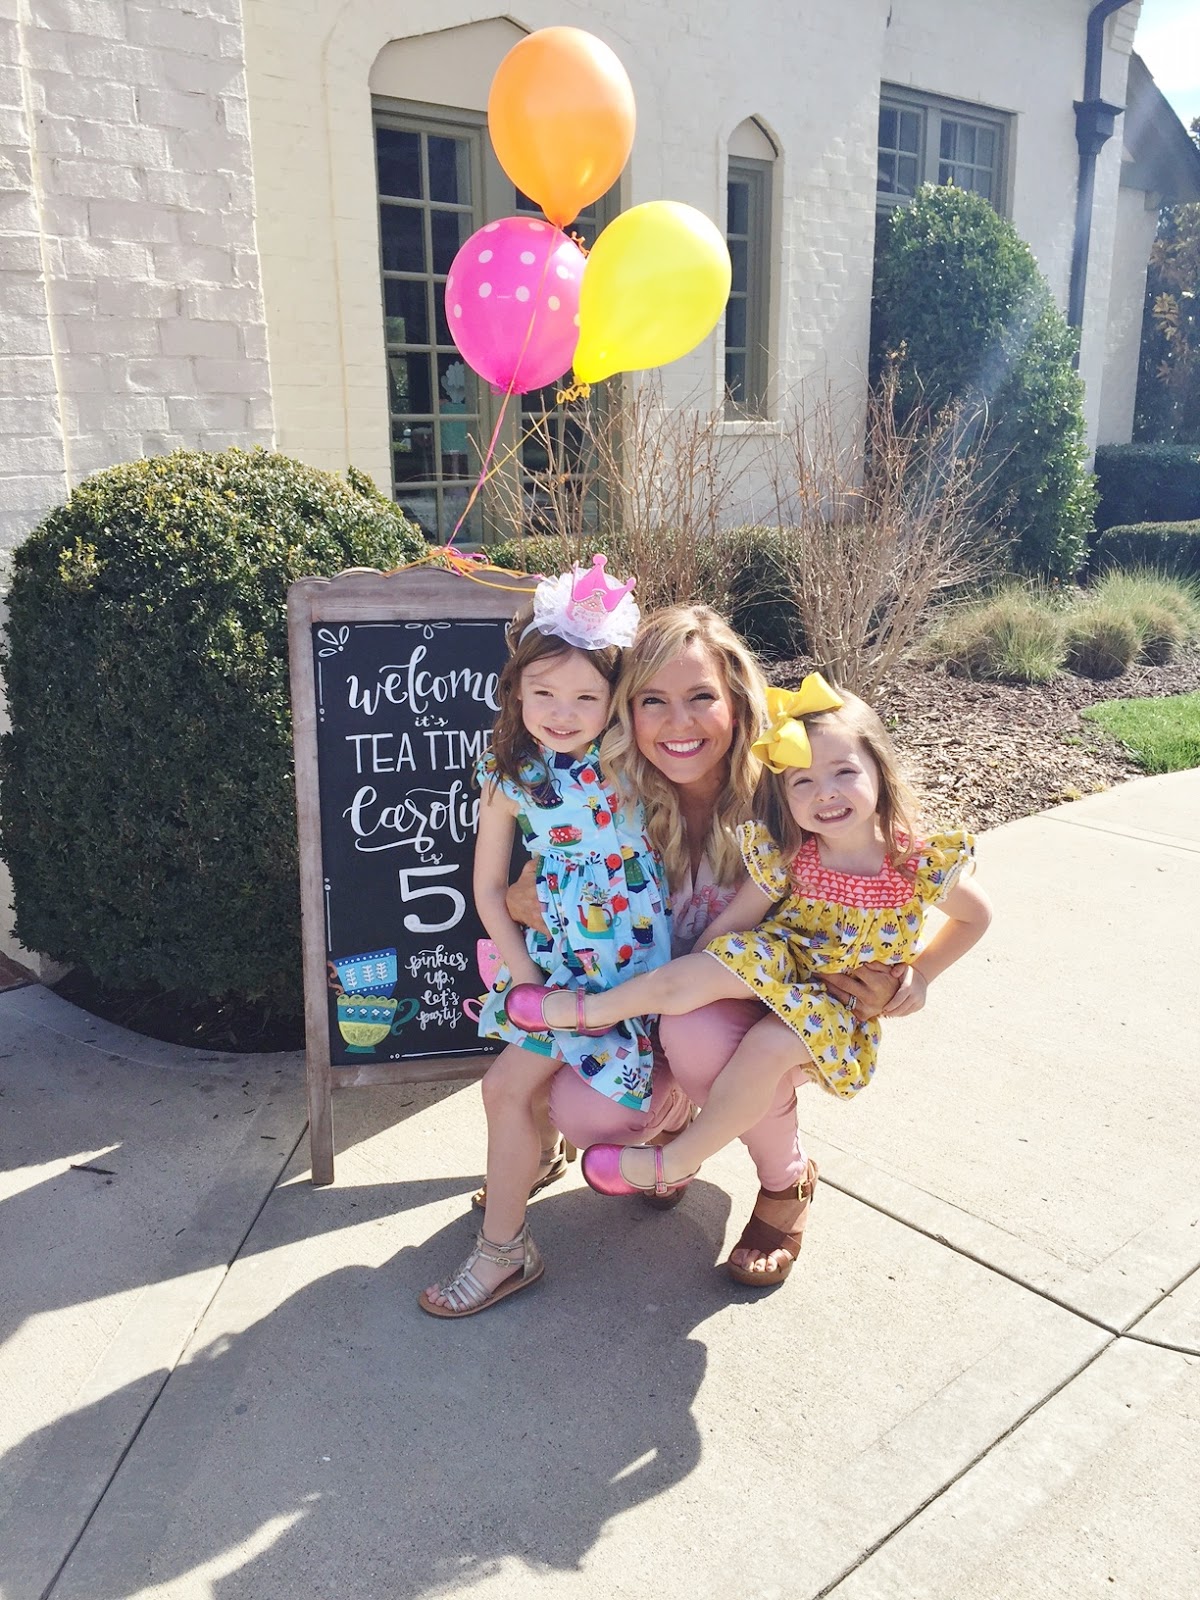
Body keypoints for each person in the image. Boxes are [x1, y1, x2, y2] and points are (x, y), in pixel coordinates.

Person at [505, 675, 992, 1202]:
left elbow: (976, 917)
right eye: (802, 782)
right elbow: (732, 925)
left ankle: (682, 1161)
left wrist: (921, 973)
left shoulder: (914, 861)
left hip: (833, 1003)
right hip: (781, 962)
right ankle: (590, 1011)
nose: (825, 792)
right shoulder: (792, 852)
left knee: (767, 1049)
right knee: (699, 971)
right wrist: (699, 974)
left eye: (844, 772)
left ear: (881, 770)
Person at [541, 605, 899, 1285]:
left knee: (700, 1033)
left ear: (737, 702)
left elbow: (887, 879)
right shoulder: (608, 800)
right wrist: (524, 891)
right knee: (584, 1113)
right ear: (627, 712)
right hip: (645, 1010)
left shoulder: (791, 792)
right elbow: (544, 872)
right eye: (653, 700)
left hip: (760, 1017)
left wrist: (907, 977)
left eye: (701, 696)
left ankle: (786, 1181)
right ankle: (675, 1128)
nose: (678, 723)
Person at [419, 557, 673, 1318]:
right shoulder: (508, 776)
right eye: (543, 693)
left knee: (524, 1088)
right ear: (517, 692)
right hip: (558, 973)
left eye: (586, 697)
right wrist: (525, 979)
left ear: (614, 699)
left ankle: (533, 1207)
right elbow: (486, 890)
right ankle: (508, 1242)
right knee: (507, 1087)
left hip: (639, 970)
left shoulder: (634, 761)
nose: (563, 713)